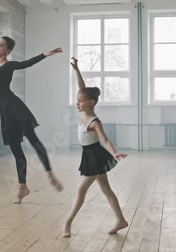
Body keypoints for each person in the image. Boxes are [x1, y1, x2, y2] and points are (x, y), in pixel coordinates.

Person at [0, 15, 63, 204]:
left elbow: (27, 63)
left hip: (15, 108)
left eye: (1, 45)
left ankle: (50, 174)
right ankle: (22, 187)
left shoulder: (10, 65)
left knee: (33, 141)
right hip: (5, 113)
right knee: (16, 150)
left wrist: (45, 54)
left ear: (8, 50)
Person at [62, 57, 128, 237]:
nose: (77, 103)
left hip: (95, 156)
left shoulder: (94, 121)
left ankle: (67, 223)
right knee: (106, 189)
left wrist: (114, 153)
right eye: (77, 100)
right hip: (90, 155)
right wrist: (76, 70)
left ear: (90, 102)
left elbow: (105, 140)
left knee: (81, 190)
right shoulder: (86, 110)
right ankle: (121, 220)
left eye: (80, 101)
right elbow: (82, 88)